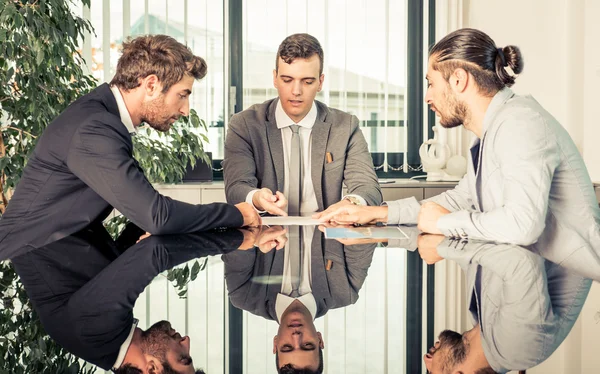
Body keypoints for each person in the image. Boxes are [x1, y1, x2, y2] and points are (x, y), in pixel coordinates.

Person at [319, 28, 600, 281]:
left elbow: (522, 225)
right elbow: (461, 199)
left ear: (458, 80)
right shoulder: (494, 129)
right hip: (528, 273)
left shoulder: (520, 123)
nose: (427, 97)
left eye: (430, 83)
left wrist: (441, 222)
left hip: (573, 277)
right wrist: (376, 213)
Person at [0, 34, 260, 262]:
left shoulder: (105, 119)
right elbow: (156, 215)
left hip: (63, 259)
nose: (185, 110)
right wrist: (235, 213)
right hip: (27, 263)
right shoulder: (94, 127)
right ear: (150, 85)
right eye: (182, 95)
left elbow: (144, 206)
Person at [11, 222, 249, 373]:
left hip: (40, 210)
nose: (186, 340)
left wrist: (239, 240)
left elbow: (152, 252)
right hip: (62, 208)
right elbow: (136, 239)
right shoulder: (108, 341)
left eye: (183, 358)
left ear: (153, 369)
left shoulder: (97, 335)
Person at [223, 33, 382, 218]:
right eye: (287, 80)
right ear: (275, 78)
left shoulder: (345, 127)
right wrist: (257, 198)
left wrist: (350, 203)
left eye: (307, 82)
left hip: (324, 233)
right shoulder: (244, 125)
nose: (296, 91)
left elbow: (368, 188)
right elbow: (235, 189)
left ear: (320, 82)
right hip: (266, 238)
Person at [417, 235, 591, 373]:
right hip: (558, 203)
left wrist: (393, 216)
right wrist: (444, 247)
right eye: (431, 373)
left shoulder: (481, 322)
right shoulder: (514, 350)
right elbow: (521, 263)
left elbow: (472, 245)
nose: (426, 359)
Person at [223, 226, 377, 373]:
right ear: (319, 340)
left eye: (287, 347)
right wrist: (353, 205)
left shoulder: (244, 294)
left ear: (275, 343)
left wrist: (257, 207)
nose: (296, 336)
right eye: (307, 345)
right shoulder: (344, 291)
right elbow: (367, 224)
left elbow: (236, 223)